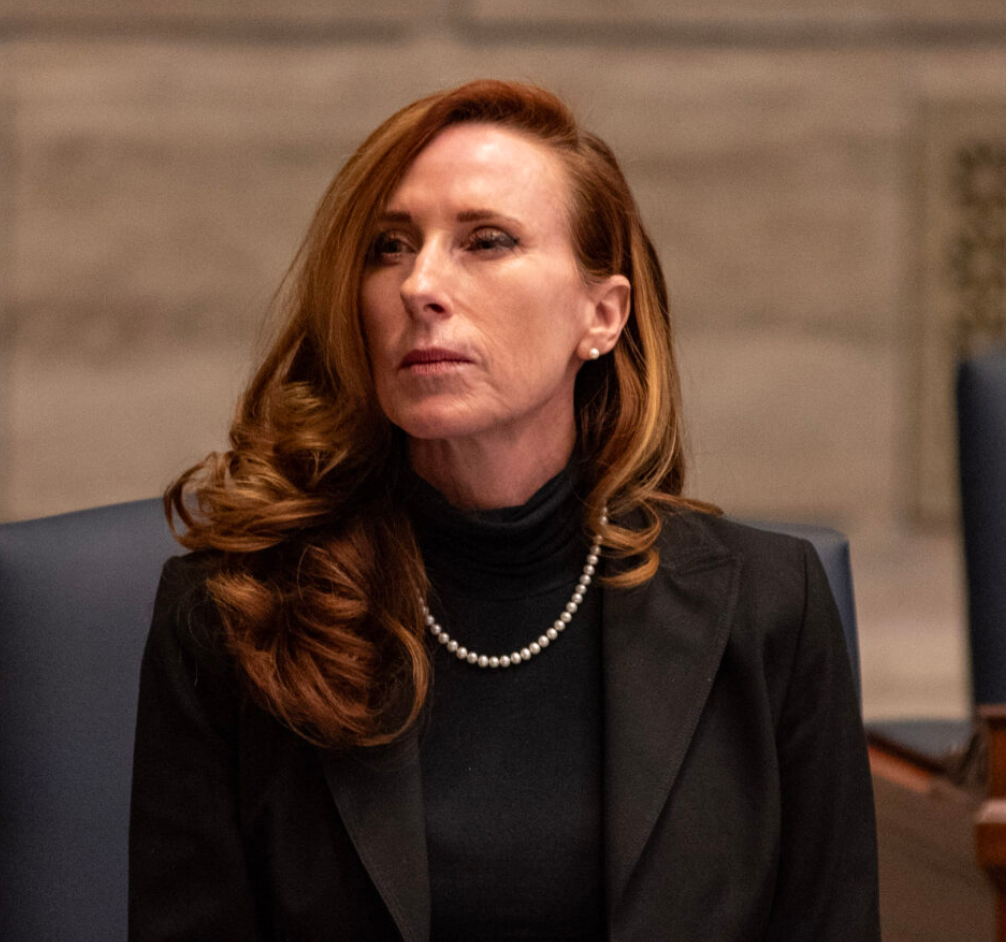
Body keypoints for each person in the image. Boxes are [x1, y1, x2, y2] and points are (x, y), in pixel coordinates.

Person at [130, 79, 879, 941]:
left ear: (600, 316)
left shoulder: (768, 611)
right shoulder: (238, 618)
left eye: (487, 241)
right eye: (388, 247)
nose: (420, 285)